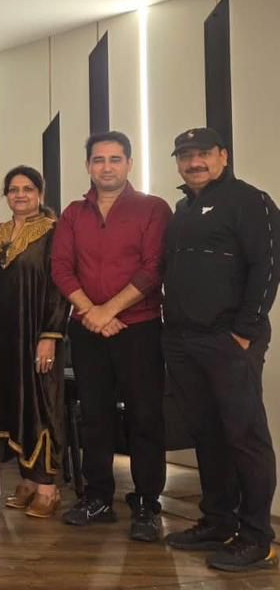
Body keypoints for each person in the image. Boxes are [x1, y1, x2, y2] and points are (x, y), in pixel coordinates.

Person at [162, 127, 280, 572]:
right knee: (206, 434)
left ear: (223, 156)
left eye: (203, 153)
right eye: (185, 155)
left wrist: (244, 332)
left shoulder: (251, 201)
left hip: (228, 340)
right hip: (182, 340)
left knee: (245, 437)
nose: (194, 162)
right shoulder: (182, 209)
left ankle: (256, 537)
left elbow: (268, 266)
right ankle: (217, 521)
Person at [50, 131, 170, 541]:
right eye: (98, 160)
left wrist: (108, 311)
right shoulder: (73, 213)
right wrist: (92, 312)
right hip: (87, 330)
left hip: (139, 328)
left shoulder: (153, 208)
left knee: (145, 416)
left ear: (129, 164)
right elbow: (61, 268)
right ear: (88, 165)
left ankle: (147, 503)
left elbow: (153, 268)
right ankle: (97, 497)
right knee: (94, 416)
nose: (106, 167)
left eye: (115, 159)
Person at [0, 166, 70, 519]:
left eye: (28, 189)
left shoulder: (54, 232)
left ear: (40, 193)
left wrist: (50, 335)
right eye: (13, 189)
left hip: (36, 332)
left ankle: (48, 486)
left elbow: (60, 287)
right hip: (1, 336)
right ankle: (28, 480)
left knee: (41, 403)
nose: (20, 195)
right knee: (13, 402)